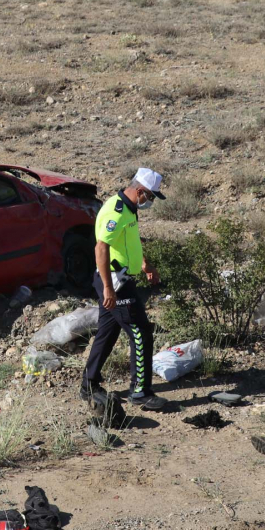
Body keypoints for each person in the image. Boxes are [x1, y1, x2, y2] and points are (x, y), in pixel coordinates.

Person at [81, 167, 167, 412]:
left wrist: (144, 264)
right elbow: (101, 248)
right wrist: (109, 288)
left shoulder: (128, 208)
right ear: (139, 191)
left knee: (107, 333)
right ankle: (140, 393)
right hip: (115, 282)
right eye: (150, 197)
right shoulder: (116, 211)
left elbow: (127, 242)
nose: (150, 202)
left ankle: (89, 385)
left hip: (119, 278)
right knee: (140, 333)